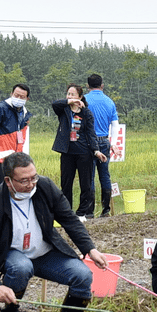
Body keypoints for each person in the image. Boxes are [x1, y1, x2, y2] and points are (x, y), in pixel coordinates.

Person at [0, 152, 109, 312]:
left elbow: (69, 219)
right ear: (8, 181)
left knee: (83, 275)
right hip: (14, 256)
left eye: (33, 177)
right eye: (24, 181)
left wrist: (90, 249)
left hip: (45, 253)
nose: (31, 184)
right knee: (21, 267)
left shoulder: (44, 187)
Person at [51, 84, 106, 220]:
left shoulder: (86, 113)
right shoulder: (64, 110)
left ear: (80, 97)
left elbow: (91, 133)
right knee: (66, 183)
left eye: (73, 94)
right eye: (68, 94)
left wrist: (96, 151)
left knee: (85, 184)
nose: (69, 96)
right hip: (67, 152)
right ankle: (67, 212)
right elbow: (54, 104)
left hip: (84, 152)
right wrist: (70, 102)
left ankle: (82, 212)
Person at [0, 83, 31, 192]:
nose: (18, 98)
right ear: (11, 94)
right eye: (16, 95)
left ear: (27, 99)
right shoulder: (0, 109)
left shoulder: (25, 113)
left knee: (13, 190)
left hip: (15, 159)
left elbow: (22, 136)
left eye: (22, 97)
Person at [84, 74, 118, 217]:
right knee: (104, 175)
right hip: (104, 141)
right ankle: (106, 210)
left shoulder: (84, 100)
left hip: (88, 142)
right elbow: (115, 124)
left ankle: (89, 211)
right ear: (102, 85)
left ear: (87, 86)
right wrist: (114, 143)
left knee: (89, 176)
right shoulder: (109, 102)